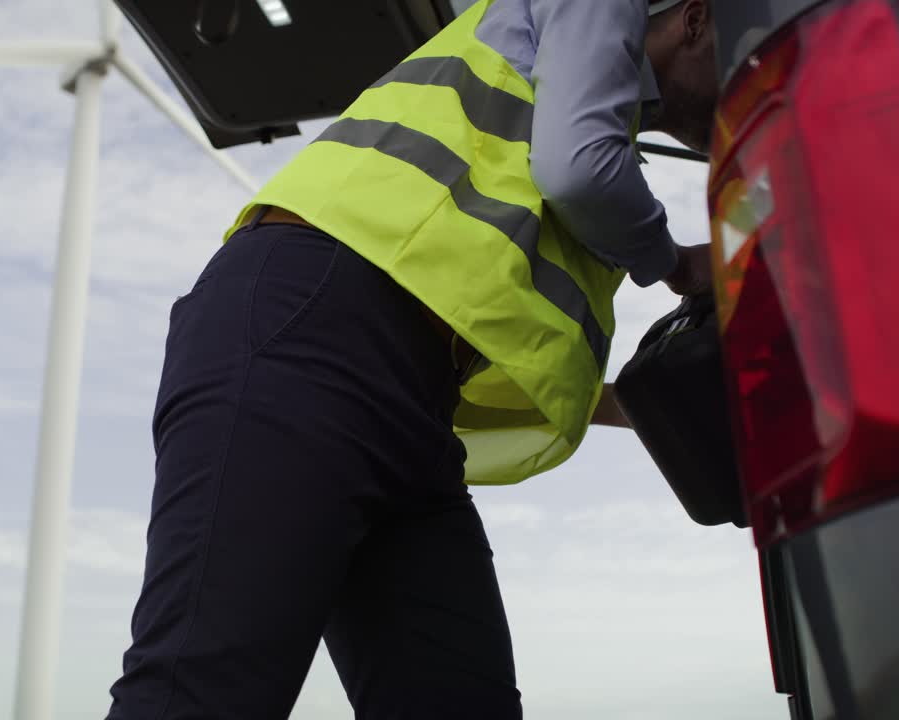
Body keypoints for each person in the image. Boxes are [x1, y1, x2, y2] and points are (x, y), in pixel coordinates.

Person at [106, 0, 720, 717]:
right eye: (739, 66)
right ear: (698, 19)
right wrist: (679, 266)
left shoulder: (575, 109)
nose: (737, 101)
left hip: (407, 395)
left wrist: (667, 402)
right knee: (201, 696)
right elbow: (578, 173)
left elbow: (475, 305)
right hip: (313, 322)